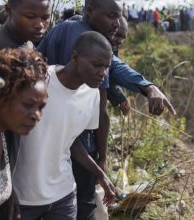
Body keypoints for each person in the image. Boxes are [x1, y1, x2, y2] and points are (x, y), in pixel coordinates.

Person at [38, 1, 175, 218]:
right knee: (83, 202)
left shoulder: (69, 28)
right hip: (68, 142)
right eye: (112, 16)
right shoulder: (84, 43)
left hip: (49, 139)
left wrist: (140, 88)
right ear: (90, 11)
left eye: (118, 17)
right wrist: (101, 159)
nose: (116, 23)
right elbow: (102, 106)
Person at [12, 31, 116, 220]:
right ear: (75, 57)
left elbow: (71, 139)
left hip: (63, 195)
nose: (103, 72)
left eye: (107, 66)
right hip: (22, 198)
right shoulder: (40, 81)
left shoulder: (92, 94)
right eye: (97, 65)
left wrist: (99, 171)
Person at [0, 48, 48, 220]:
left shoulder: (2, 134)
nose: (37, 116)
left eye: (41, 107)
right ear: (0, 95)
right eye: (28, 105)